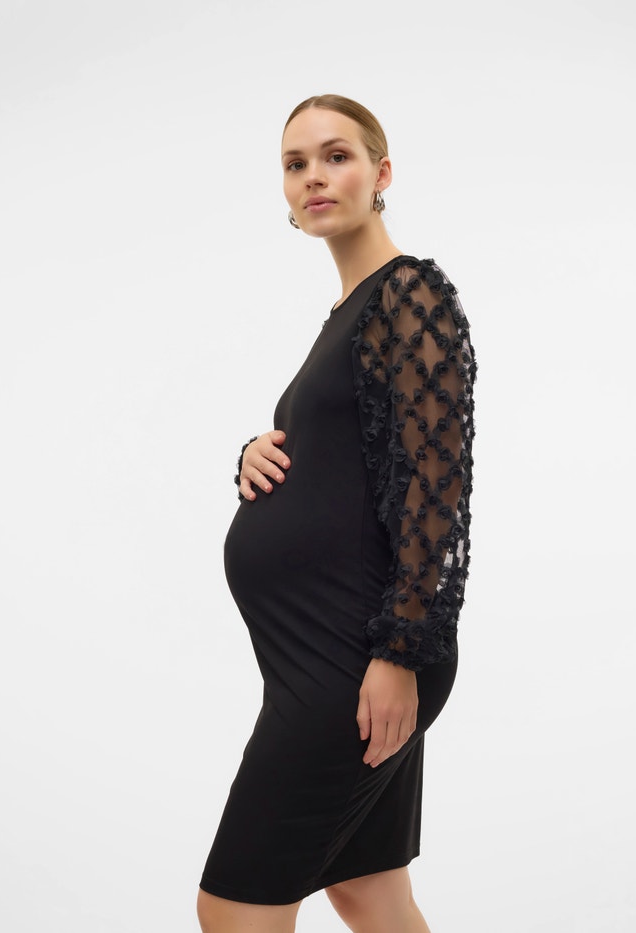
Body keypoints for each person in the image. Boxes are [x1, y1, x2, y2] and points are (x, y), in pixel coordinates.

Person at [197, 94, 476, 933]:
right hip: (326, 658)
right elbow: (351, 459)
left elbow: (437, 482)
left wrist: (398, 652)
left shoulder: (410, 293)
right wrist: (254, 454)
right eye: (296, 164)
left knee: (232, 906)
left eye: (336, 156)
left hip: (359, 663)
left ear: (381, 173)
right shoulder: (350, 311)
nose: (314, 176)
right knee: (369, 892)